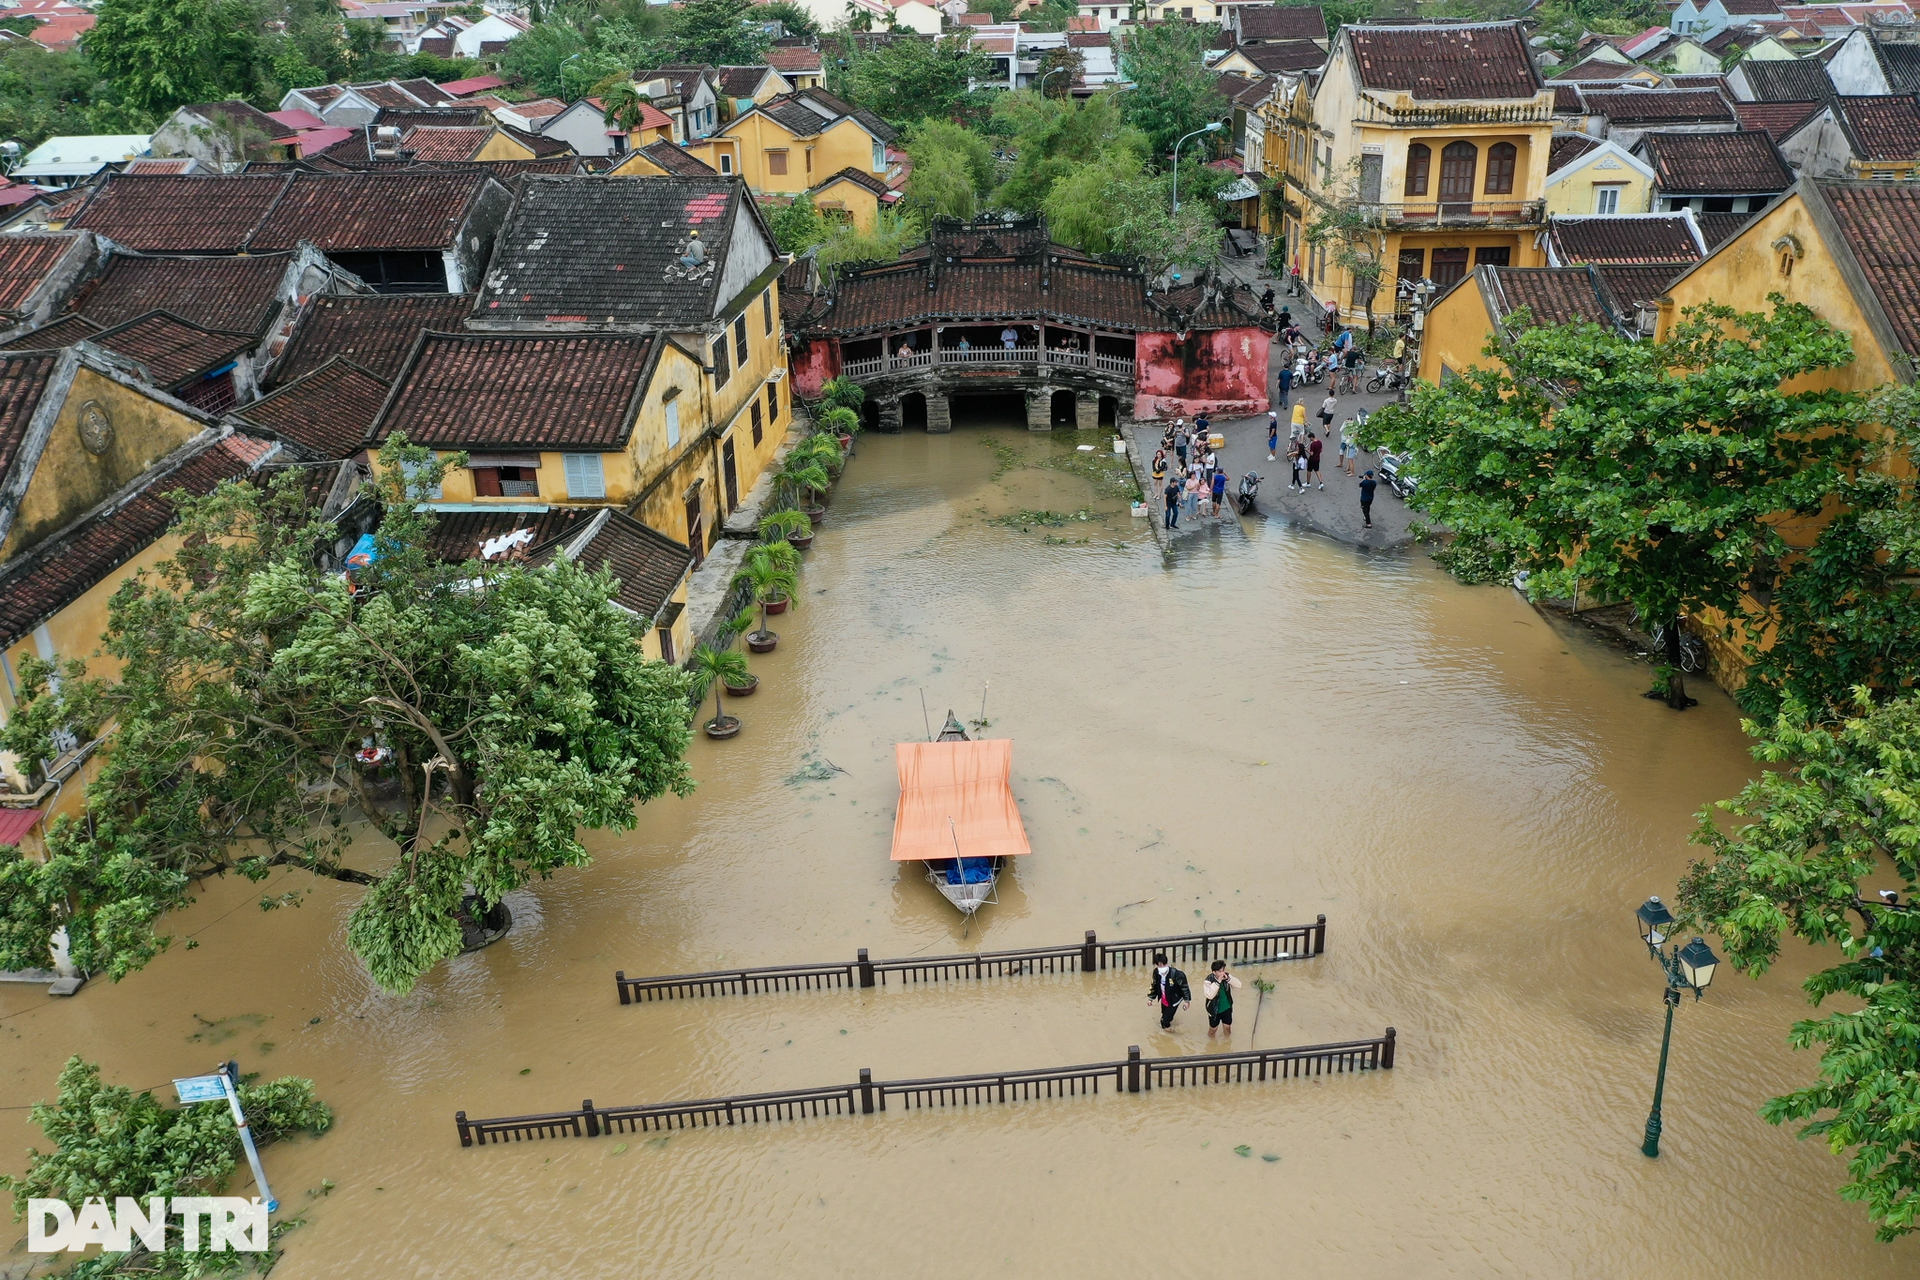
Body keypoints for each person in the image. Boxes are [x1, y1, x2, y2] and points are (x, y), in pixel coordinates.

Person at [1149, 951, 1191, 1029]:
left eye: (1164, 965)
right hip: (1164, 998)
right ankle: (1169, 1022)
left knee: (1164, 1022)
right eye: (1160, 965)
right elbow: (1153, 985)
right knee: (1164, 1013)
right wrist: (1151, 999)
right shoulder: (1156, 973)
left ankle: (1171, 1034)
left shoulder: (1176, 974)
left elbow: (1184, 987)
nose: (1162, 967)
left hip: (1174, 1000)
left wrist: (1187, 1001)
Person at [1202, 959, 1243, 1038]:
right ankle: (1211, 1045)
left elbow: (1238, 986)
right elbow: (1209, 995)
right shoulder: (1208, 980)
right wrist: (1218, 982)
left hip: (1227, 1007)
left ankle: (1227, 1044)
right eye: (1220, 971)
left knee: (1227, 1028)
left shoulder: (1227, 976)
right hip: (1214, 1010)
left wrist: (1228, 979)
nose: (1222, 973)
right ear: (1214, 972)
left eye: (1223, 970)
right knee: (1213, 1030)